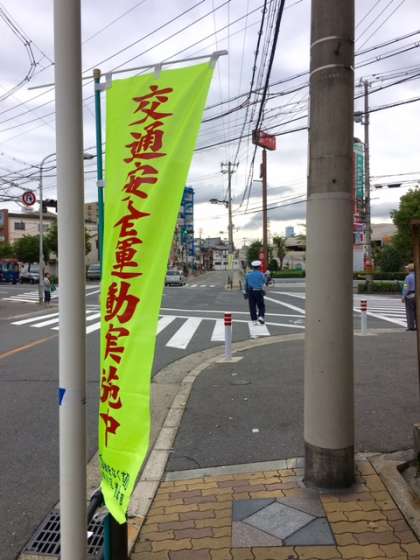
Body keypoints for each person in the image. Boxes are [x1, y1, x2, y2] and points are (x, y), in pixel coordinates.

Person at [244, 260, 267, 325]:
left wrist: (246, 292)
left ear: (252, 267)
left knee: (252, 306)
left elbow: (246, 285)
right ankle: (261, 317)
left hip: (250, 292)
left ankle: (254, 320)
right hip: (258, 291)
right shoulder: (261, 274)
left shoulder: (248, 275)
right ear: (259, 267)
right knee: (261, 305)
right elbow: (265, 282)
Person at [402, 263, 416, 331]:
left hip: (410, 296)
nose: (406, 269)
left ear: (409, 269)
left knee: (410, 312)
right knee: (416, 311)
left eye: (407, 268)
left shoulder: (408, 277)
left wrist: (403, 296)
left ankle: (411, 326)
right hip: (417, 296)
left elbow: (405, 288)